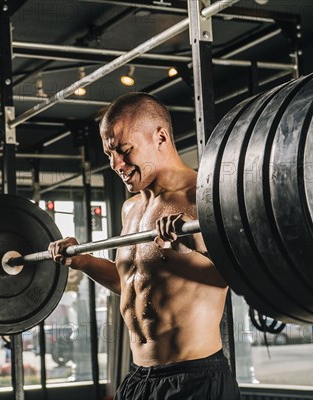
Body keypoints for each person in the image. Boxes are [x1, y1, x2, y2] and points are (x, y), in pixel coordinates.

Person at [48, 92, 240, 399]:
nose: (115, 164)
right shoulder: (131, 208)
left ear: (161, 137)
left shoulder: (204, 198)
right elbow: (133, 284)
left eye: (124, 150)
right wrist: (83, 261)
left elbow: (247, 278)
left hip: (194, 379)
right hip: (139, 379)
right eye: (109, 153)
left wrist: (202, 244)